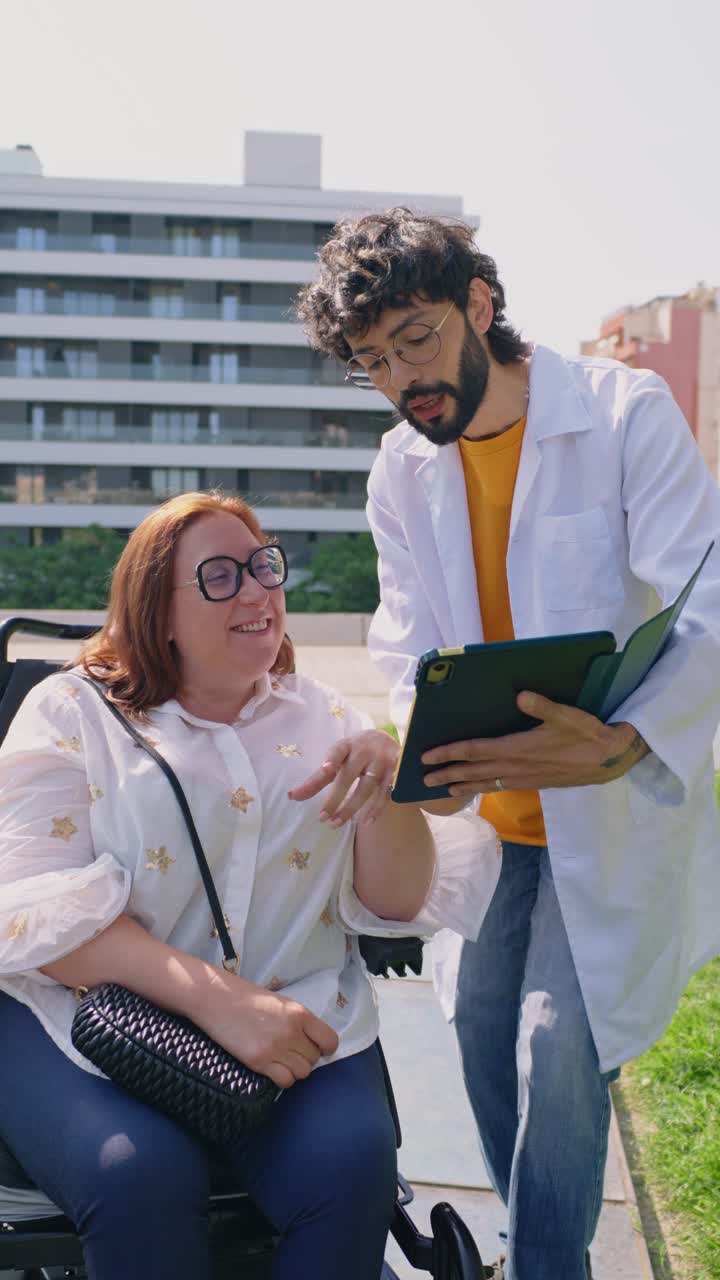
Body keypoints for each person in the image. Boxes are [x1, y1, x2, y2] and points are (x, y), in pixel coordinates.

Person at [297, 208, 720, 1280]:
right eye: (374, 361)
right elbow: (405, 642)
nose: (405, 379)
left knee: (557, 1051)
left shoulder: (624, 412)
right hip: (490, 816)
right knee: (482, 1037)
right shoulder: (401, 468)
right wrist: (415, 749)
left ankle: (542, 1268)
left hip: (612, 802)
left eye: (420, 340)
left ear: (480, 305)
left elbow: (707, 600)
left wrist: (621, 743)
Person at [0, 490, 501, 1280]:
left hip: (295, 1024)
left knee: (350, 1170)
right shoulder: (70, 714)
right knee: (139, 1175)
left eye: (263, 565)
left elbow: (395, 903)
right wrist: (220, 1002)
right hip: (85, 1021)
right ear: (155, 610)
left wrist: (392, 790)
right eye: (221, 576)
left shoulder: (325, 719)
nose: (259, 591)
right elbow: (27, 914)